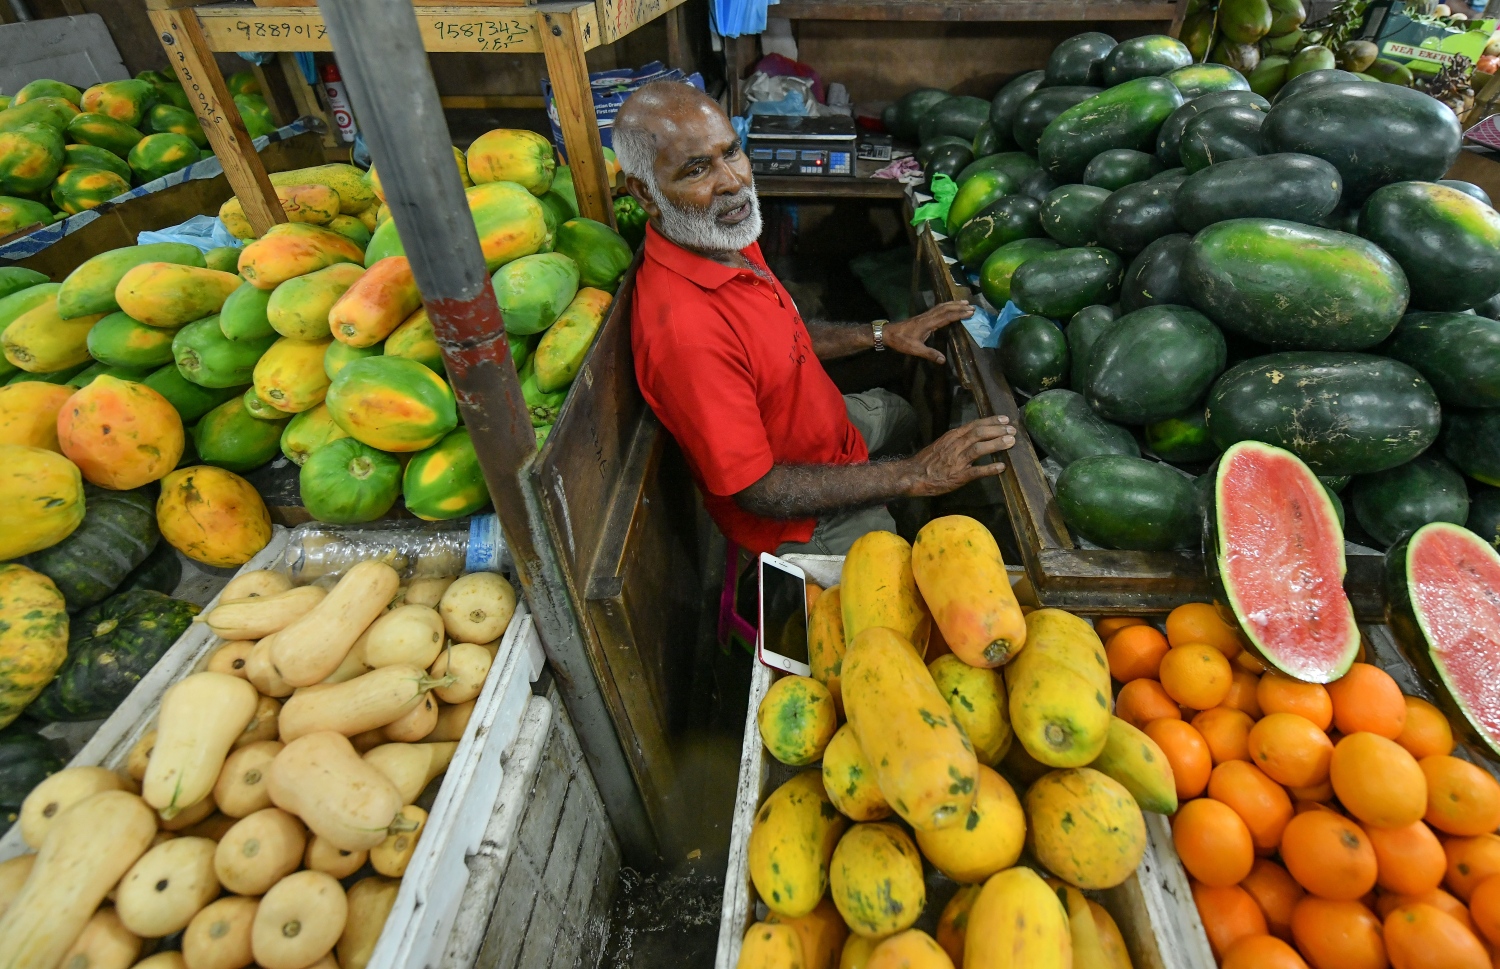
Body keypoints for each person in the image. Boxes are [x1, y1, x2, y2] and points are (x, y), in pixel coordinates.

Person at [613, 81, 1016, 557]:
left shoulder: (723, 235)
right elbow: (759, 489)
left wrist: (884, 334)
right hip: (803, 519)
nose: (733, 181)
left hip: (827, 431)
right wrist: (913, 474)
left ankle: (904, 500)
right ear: (644, 191)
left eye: (732, 152)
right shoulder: (684, 334)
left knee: (902, 414)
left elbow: (781, 334)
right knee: (903, 577)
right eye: (697, 169)